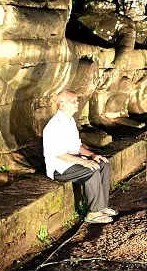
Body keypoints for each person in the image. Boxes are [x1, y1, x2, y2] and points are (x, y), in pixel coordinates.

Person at [42, 90, 118, 224]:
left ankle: (102, 206)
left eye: (76, 100)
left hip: (73, 161)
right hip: (60, 167)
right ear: (62, 104)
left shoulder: (70, 120)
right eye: (73, 101)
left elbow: (77, 146)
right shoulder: (54, 125)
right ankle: (93, 213)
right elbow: (58, 153)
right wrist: (84, 163)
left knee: (103, 164)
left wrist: (93, 155)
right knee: (92, 169)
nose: (77, 102)